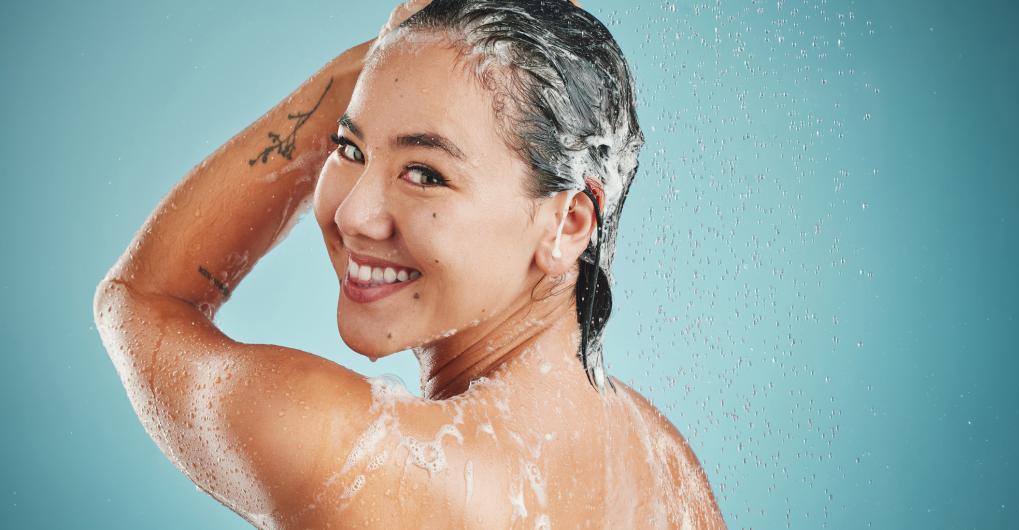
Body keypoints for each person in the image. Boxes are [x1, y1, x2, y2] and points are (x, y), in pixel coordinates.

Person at [93, 0, 727, 528]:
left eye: (425, 173)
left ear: (567, 223)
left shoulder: (359, 457)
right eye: (348, 147)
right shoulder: (670, 476)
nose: (354, 215)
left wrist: (365, 64)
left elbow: (141, 299)